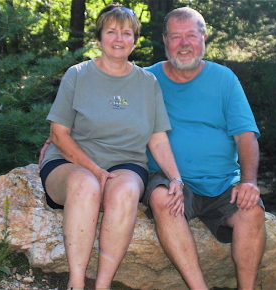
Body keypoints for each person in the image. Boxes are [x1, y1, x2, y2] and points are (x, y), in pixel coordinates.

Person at [38, 4, 183, 289]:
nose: (119, 39)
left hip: (125, 164)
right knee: (86, 186)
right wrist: (94, 170)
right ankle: (76, 282)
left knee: (126, 192)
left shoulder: (147, 83)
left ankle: (103, 284)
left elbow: (157, 138)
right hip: (71, 164)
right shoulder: (77, 75)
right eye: (112, 32)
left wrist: (176, 177)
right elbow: (58, 133)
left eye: (126, 33)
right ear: (99, 38)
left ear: (135, 40)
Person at [142, 7, 266, 289]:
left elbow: (246, 136)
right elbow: (107, 109)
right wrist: (62, 136)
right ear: (165, 41)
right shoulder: (146, 80)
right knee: (163, 201)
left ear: (204, 38)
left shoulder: (224, 79)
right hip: (171, 180)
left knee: (253, 212)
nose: (184, 44)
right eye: (176, 37)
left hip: (223, 183)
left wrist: (248, 182)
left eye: (191, 36)